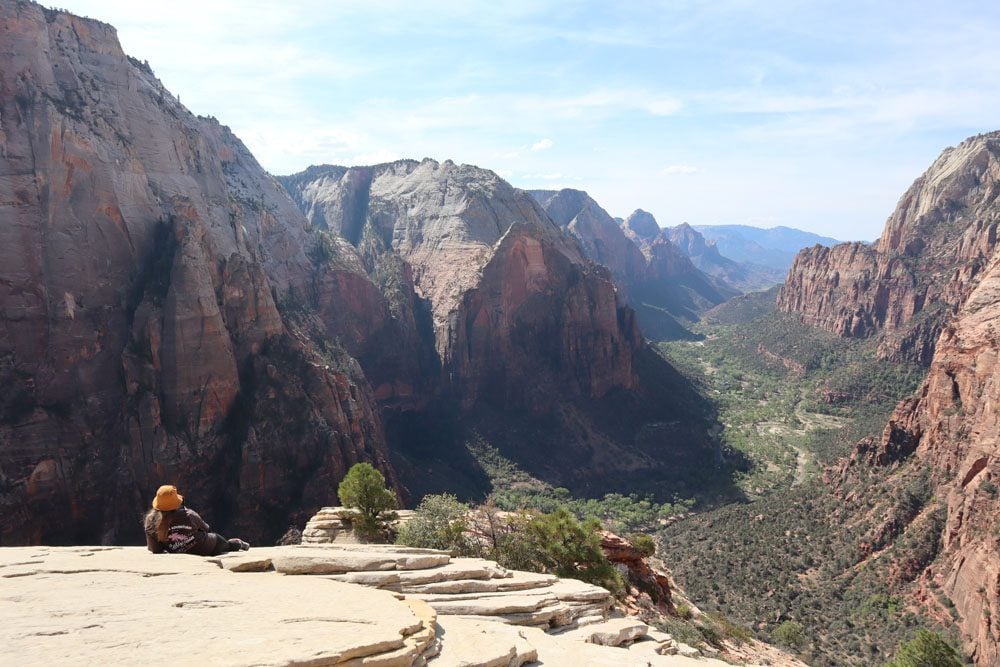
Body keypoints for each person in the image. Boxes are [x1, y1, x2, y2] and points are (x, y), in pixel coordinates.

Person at [144, 485, 250, 555]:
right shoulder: (189, 514)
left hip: (177, 551)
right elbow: (206, 528)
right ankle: (238, 544)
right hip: (208, 547)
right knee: (227, 546)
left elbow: (154, 549)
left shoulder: (150, 522)